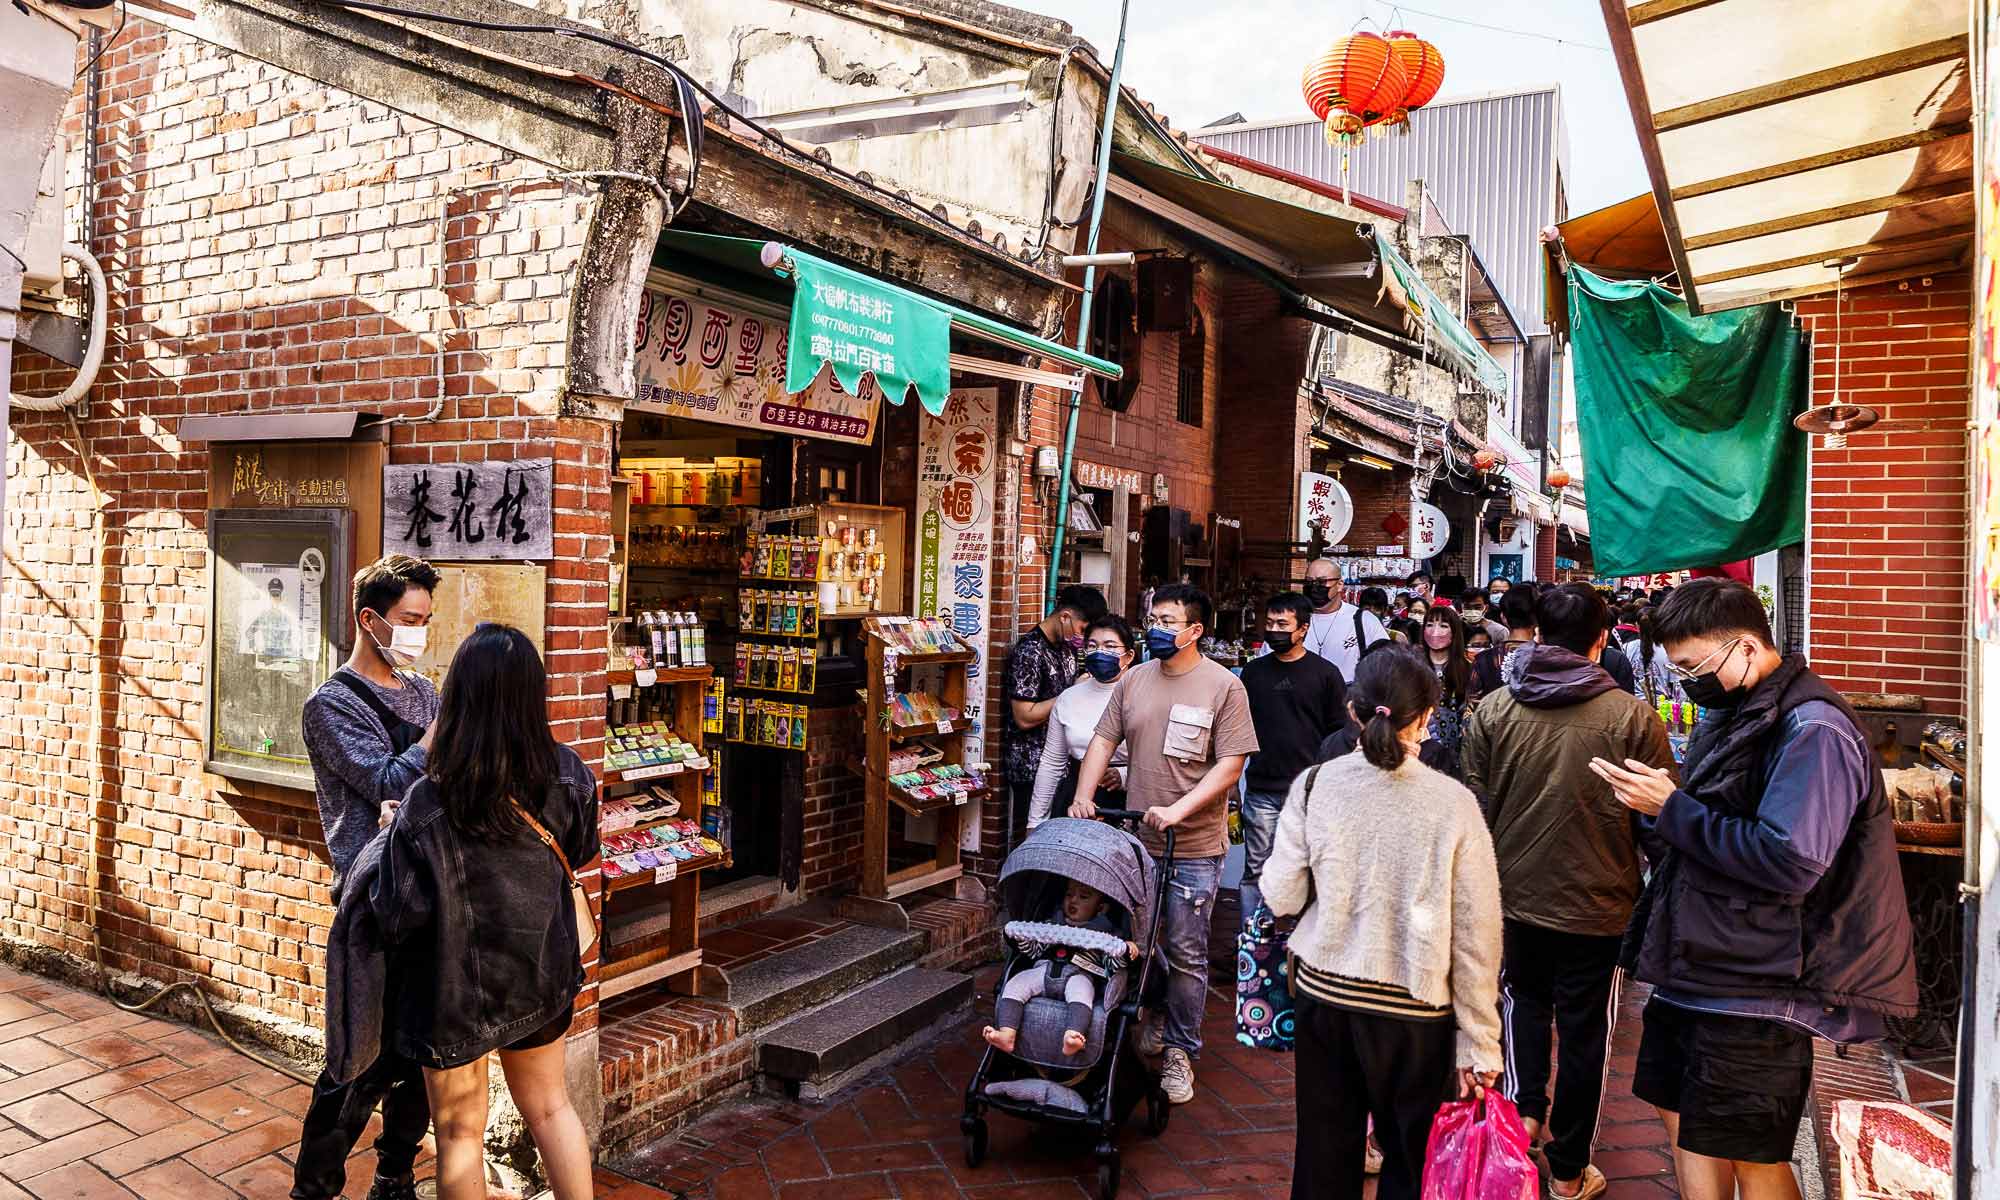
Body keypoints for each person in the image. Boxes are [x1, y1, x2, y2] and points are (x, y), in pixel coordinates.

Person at [1593, 580, 1917, 1200]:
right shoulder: (1736, 709)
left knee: (1748, 1151)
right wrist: (1654, 809)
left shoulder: (1815, 728)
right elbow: (1706, 826)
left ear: (1745, 647)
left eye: (1694, 666)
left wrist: (1671, 810)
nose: (1689, 681)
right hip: (1701, 962)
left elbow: (1791, 859)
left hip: (1762, 980)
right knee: (1684, 1126)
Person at [332, 624, 599, 1200]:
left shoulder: (429, 799)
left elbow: (398, 911)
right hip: (537, 972)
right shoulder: (570, 774)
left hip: (450, 988)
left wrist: (389, 839)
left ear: (458, 697)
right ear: (533, 694)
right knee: (552, 1111)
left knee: (458, 1134)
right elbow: (578, 854)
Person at [1460, 585, 1676, 1200]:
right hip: (1599, 904)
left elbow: (1473, 807)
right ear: (1602, 638)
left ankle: (1523, 1117)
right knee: (1586, 1034)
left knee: (1522, 1006)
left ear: (1534, 631)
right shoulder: (1632, 718)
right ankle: (1570, 1167)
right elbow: (1659, 822)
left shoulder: (1495, 710)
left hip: (1512, 897)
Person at [1264, 648, 1504, 1200]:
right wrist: (1480, 1043)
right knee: (1411, 1160)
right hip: (1416, 1008)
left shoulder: (1314, 785)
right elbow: (1477, 935)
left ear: (1353, 711)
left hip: (1325, 993)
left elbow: (1279, 894)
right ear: (1424, 718)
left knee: (1324, 1152)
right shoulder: (1454, 803)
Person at [1069, 583, 1257, 1105]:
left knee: (1187, 950)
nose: (1157, 627)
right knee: (1139, 941)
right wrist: (1084, 795)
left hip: (1194, 844)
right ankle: (1149, 1015)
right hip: (1138, 840)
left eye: (1169, 621)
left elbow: (1231, 763)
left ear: (1195, 630)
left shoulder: (1224, 687)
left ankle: (1180, 1051)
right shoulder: (1134, 681)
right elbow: (1105, 740)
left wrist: (1180, 810)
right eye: (1154, 617)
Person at [295, 554, 441, 1200]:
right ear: (369, 619)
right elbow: (384, 782)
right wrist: (433, 747)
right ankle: (316, 1185)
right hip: (372, 906)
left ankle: (395, 1174)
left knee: (419, 1054)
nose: (420, 633)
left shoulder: (423, 693)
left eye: (426, 621)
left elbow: (430, 789)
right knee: (357, 1063)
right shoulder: (330, 706)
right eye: (410, 620)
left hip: (432, 895)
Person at [1237, 591, 1348, 916]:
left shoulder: (1325, 674)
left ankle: (1301, 945)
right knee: (1257, 870)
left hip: (1310, 792)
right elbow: (1239, 732)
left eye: (1282, 624)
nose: (1274, 630)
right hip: (1261, 790)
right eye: (1269, 623)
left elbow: (1337, 734)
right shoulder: (1253, 673)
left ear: (1303, 629)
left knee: (1308, 870)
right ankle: (1252, 943)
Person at [983, 880, 1141, 1057]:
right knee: (1015, 983)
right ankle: (1007, 1034)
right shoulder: (1051, 925)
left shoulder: (1107, 935)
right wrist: (1018, 936)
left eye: (1083, 897)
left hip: (1079, 974)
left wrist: (1124, 951)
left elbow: (1110, 965)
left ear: (1101, 908)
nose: (1073, 900)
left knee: (1082, 993)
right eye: (1069, 894)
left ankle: (1073, 1036)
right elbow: (1034, 952)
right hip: (1044, 970)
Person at [1002, 585, 1108, 846]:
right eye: (1083, 630)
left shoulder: (1067, 648)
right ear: (1064, 616)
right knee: (1037, 840)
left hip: (1063, 763)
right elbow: (1024, 716)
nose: (1082, 639)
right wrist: (1071, 693)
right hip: (1032, 764)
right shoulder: (1029, 652)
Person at [1026, 615, 1135, 829]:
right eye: (1093, 645)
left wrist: (1123, 776)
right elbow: (1051, 763)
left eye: (1110, 646)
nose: (1100, 652)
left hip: (1128, 799)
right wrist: (1035, 821)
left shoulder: (1141, 693)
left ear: (1128, 656)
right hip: (1075, 798)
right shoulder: (1069, 697)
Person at [1302, 559, 1388, 683]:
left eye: (1322, 582)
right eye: (1309, 582)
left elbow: (1386, 664)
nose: (1314, 588)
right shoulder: (1294, 617)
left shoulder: (1363, 620)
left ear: (1339, 584)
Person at [1419, 607, 1480, 779]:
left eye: (1443, 626)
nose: (1435, 631)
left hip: (1457, 755)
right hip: (1419, 751)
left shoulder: (1468, 669)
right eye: (1429, 625)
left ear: (1454, 632)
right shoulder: (1412, 665)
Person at [1472, 587, 1539, 696]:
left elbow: (1472, 705)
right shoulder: (1548, 657)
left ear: (1503, 617)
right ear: (1537, 618)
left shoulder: (1483, 660)